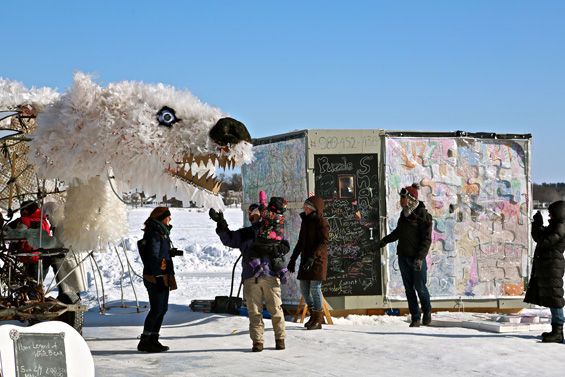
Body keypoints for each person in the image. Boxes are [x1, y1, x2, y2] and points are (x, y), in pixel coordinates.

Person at [209, 204, 288, 352]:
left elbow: (284, 243)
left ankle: (280, 339)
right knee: (254, 311)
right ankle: (258, 341)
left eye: (256, 215)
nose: (253, 218)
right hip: (251, 277)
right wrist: (221, 223)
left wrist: (282, 247)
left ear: (263, 215)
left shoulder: (272, 231)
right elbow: (229, 239)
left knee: (276, 309)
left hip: (271, 275)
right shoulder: (245, 233)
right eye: (250, 215)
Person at [376, 184, 433, 327]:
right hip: (403, 257)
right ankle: (415, 317)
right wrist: (384, 241)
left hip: (417, 259)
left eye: (403, 198)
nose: (401, 201)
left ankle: (427, 311)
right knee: (409, 289)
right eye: (401, 198)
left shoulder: (423, 216)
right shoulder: (404, 214)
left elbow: (426, 240)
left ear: (411, 199)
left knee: (420, 287)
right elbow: (398, 232)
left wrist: (420, 258)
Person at [137, 207, 177, 353]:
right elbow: (153, 256)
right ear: (161, 218)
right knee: (157, 309)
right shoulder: (155, 233)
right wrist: (158, 275)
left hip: (162, 275)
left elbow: (159, 253)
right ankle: (145, 340)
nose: (170, 219)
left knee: (162, 309)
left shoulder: (161, 232)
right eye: (168, 216)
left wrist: (169, 253)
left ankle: (153, 339)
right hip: (155, 277)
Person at [524, 200, 565, 343]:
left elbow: (544, 241)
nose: (549, 216)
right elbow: (541, 236)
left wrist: (537, 226)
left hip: (553, 265)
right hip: (549, 265)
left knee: (555, 298)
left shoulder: (561, 227)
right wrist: (537, 225)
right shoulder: (556, 225)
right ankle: (556, 330)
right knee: (553, 297)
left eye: (551, 214)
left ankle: (558, 331)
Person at [287, 195, 329, 330]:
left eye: (308, 207)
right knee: (304, 288)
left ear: (314, 209)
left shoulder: (321, 222)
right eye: (305, 206)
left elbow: (324, 243)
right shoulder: (305, 221)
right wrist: (293, 259)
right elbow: (300, 242)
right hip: (306, 260)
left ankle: (318, 317)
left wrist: (313, 257)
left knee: (315, 288)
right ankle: (313, 315)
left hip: (317, 260)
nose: (305, 209)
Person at [248, 191, 289, 280]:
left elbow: (263, 209)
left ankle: (257, 266)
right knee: (276, 256)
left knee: (252, 250)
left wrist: (262, 201)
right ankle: (281, 271)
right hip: (277, 241)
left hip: (265, 240)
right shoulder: (281, 217)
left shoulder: (269, 214)